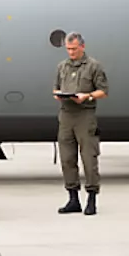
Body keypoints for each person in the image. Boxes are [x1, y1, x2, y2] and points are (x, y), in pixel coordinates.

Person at [52, 32, 108, 216]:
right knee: (67, 158)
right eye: (68, 49)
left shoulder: (94, 66)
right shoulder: (62, 66)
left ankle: (92, 198)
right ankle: (73, 198)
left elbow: (103, 91)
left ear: (82, 46)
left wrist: (88, 96)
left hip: (85, 115)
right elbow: (55, 88)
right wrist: (59, 95)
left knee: (89, 158)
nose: (71, 53)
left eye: (74, 49)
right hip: (66, 115)